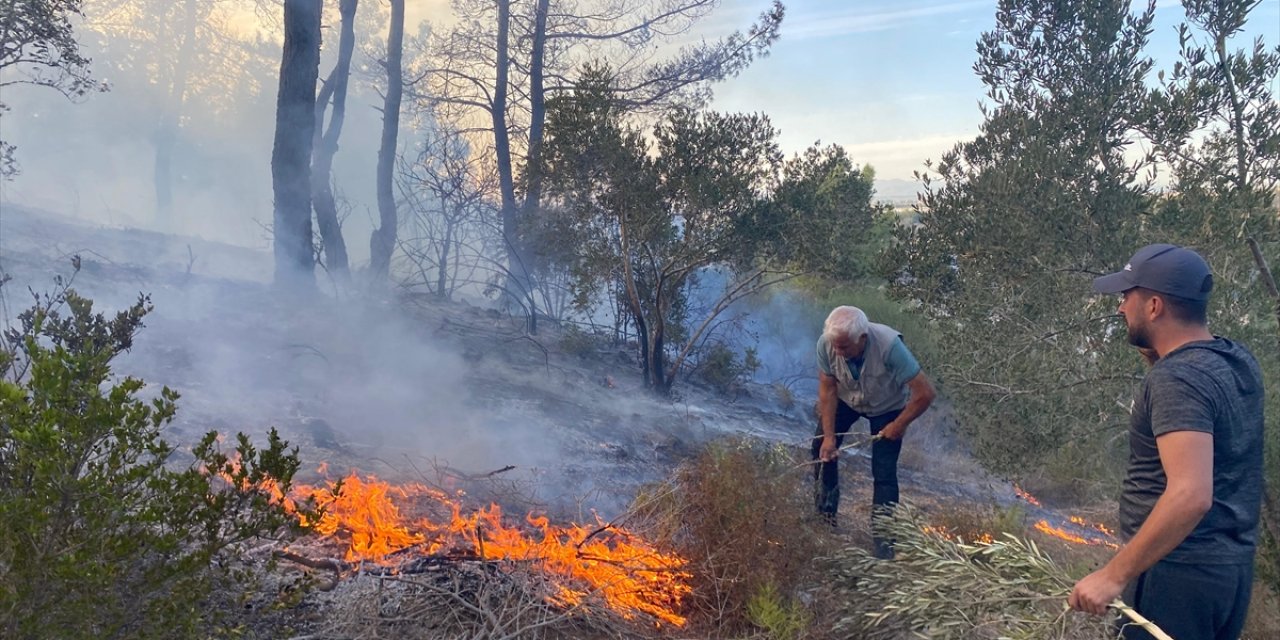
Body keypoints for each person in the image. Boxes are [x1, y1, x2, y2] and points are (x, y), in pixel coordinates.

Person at [1069, 244, 1264, 640]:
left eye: (1127, 296)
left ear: (1154, 306)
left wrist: (1113, 575)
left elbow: (1191, 494)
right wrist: (1158, 359)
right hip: (1227, 573)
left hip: (1176, 575)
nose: (1121, 307)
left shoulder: (1177, 379)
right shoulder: (1234, 359)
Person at [812, 305, 936, 558]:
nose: (838, 351)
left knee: (884, 474)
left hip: (887, 406)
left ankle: (884, 547)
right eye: (835, 345)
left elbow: (925, 393)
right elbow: (828, 390)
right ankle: (825, 519)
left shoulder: (891, 347)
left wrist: (898, 425)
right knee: (821, 451)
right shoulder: (827, 343)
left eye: (844, 347)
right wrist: (828, 437)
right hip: (847, 400)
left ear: (863, 338)